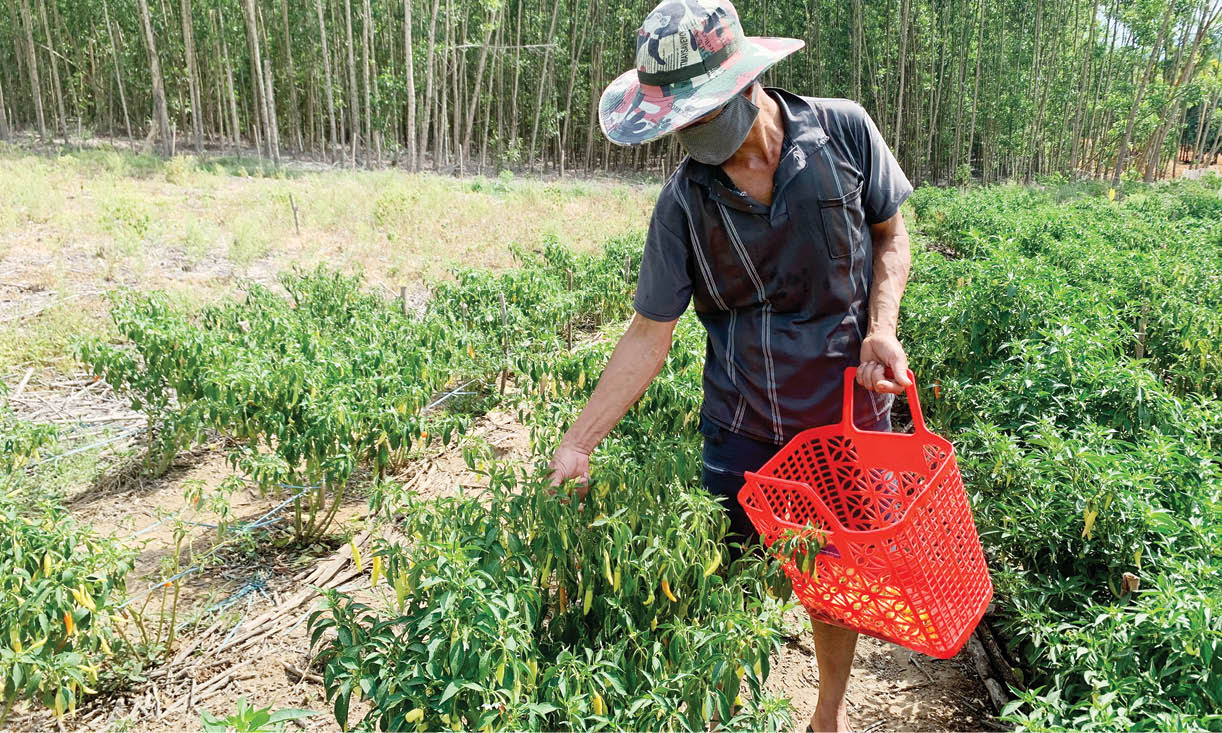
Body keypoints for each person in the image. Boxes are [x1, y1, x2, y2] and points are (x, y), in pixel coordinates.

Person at [547, 1, 913, 731]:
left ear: (748, 84)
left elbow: (892, 236)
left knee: (834, 582)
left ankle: (828, 715)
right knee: (733, 579)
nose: (691, 133)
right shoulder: (684, 202)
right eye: (678, 120)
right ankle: (728, 711)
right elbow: (650, 331)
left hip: (847, 414)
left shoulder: (842, 130)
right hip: (746, 424)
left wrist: (881, 329)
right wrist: (579, 440)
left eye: (702, 112)